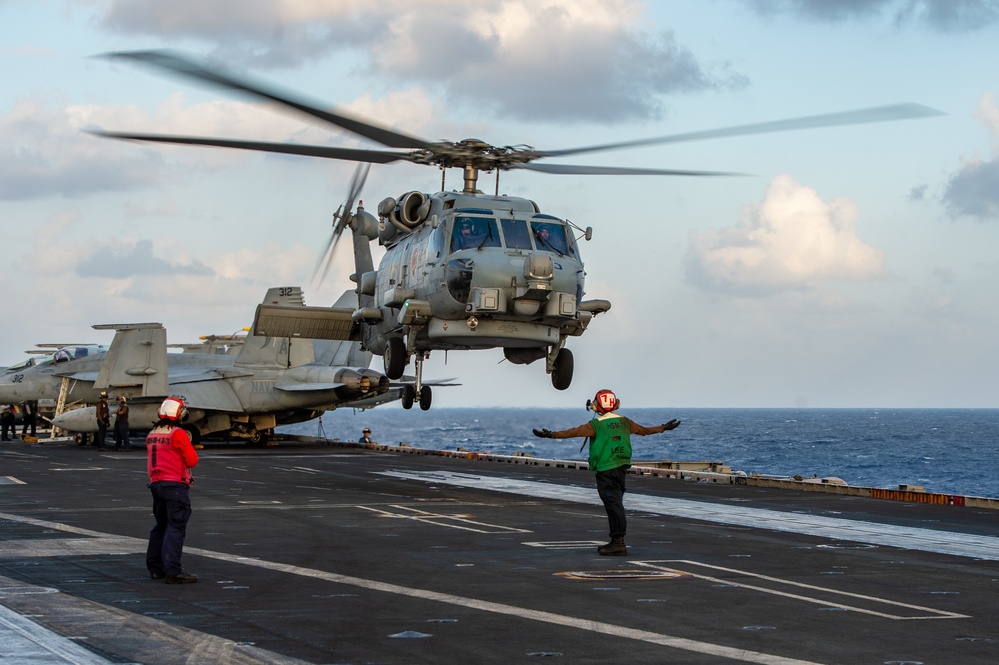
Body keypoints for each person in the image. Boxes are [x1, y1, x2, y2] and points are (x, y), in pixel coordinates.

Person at [532, 389, 681, 556]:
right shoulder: (625, 421)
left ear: (596, 406)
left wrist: (551, 435)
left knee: (613, 504)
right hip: (621, 466)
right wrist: (664, 428)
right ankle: (615, 541)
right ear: (615, 404)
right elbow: (644, 431)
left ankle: (619, 543)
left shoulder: (595, 425)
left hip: (605, 468)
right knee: (615, 502)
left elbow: (572, 432)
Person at [145, 396, 199, 584]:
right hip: (175, 486)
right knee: (176, 527)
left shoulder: (153, 432)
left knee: (160, 526)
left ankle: (155, 568)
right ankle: (173, 570)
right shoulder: (177, 433)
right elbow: (192, 460)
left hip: (156, 485)